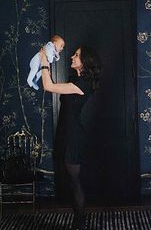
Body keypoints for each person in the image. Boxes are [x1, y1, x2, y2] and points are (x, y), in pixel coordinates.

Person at [40, 45, 101, 230]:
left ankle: (80, 224)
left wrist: (44, 65)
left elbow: (48, 86)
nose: (72, 57)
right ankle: (78, 221)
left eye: (76, 55)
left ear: (85, 63)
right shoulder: (75, 79)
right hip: (65, 132)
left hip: (73, 135)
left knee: (74, 182)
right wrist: (47, 59)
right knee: (70, 180)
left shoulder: (81, 84)